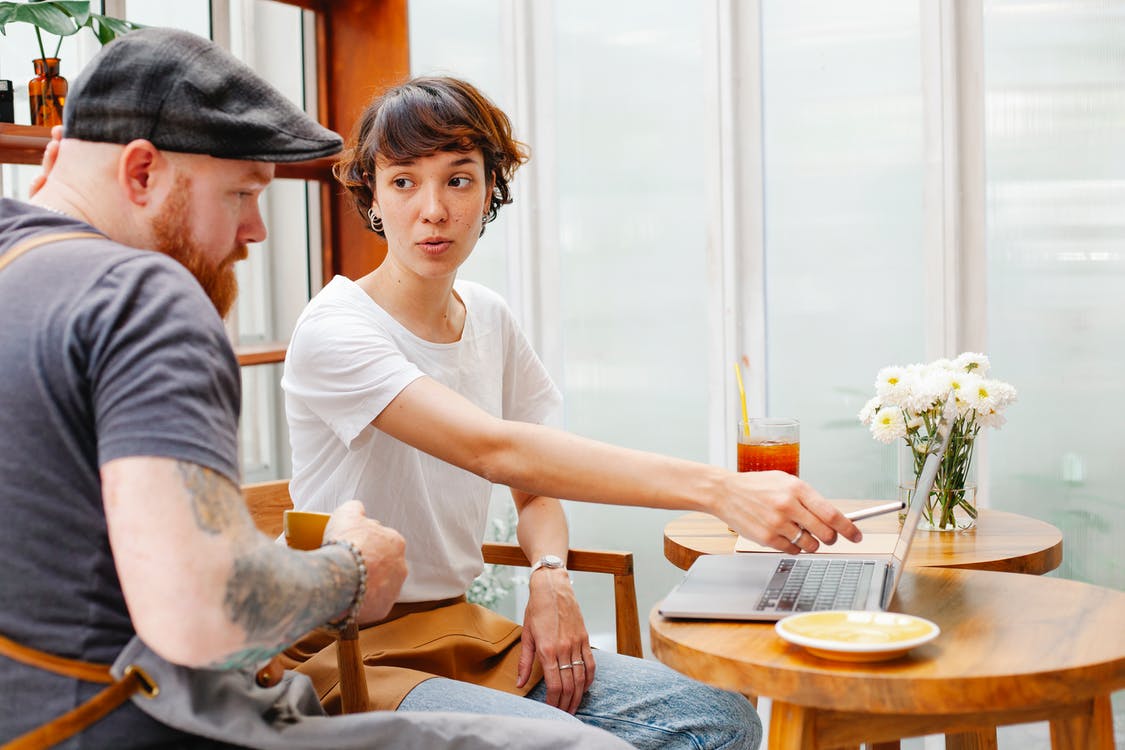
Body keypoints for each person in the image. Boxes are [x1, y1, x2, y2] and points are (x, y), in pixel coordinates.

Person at [0, 30, 630, 750]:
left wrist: (549, 572)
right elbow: (204, 608)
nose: (255, 231)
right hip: (141, 720)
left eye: (458, 179)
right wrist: (351, 568)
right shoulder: (143, 298)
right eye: (241, 193)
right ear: (139, 172)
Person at [280, 75, 865, 750]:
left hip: (461, 633)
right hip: (346, 650)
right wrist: (720, 489)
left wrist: (550, 576)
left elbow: (536, 488)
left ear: (490, 191)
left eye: (458, 180)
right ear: (374, 197)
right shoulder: (337, 329)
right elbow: (494, 450)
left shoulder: (488, 318)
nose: (433, 209)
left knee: (722, 718)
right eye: (404, 182)